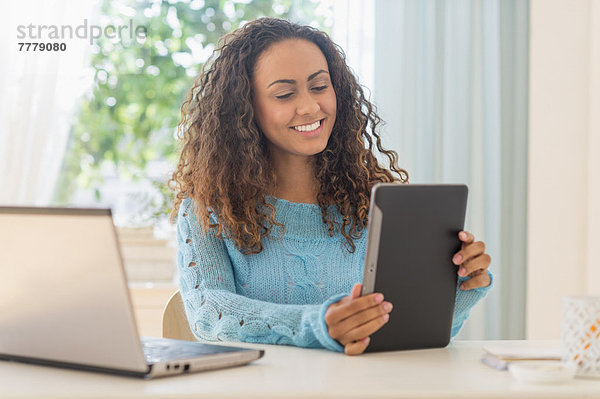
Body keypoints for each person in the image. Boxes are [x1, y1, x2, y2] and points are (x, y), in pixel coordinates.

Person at [169, 17, 492, 356]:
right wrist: (318, 325)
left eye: (320, 86)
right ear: (245, 108)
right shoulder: (210, 209)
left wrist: (462, 285)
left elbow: (403, 332)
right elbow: (209, 313)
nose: (310, 107)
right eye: (284, 94)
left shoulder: (374, 204)